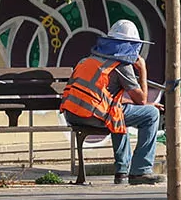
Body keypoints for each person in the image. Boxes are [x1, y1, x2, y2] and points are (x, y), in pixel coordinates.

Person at [58, 19, 161, 185]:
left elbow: (102, 96)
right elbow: (141, 100)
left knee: (118, 112)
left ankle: (122, 171)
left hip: (72, 114)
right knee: (152, 114)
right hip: (92, 115)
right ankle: (140, 170)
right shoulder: (121, 65)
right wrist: (142, 70)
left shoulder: (89, 60)